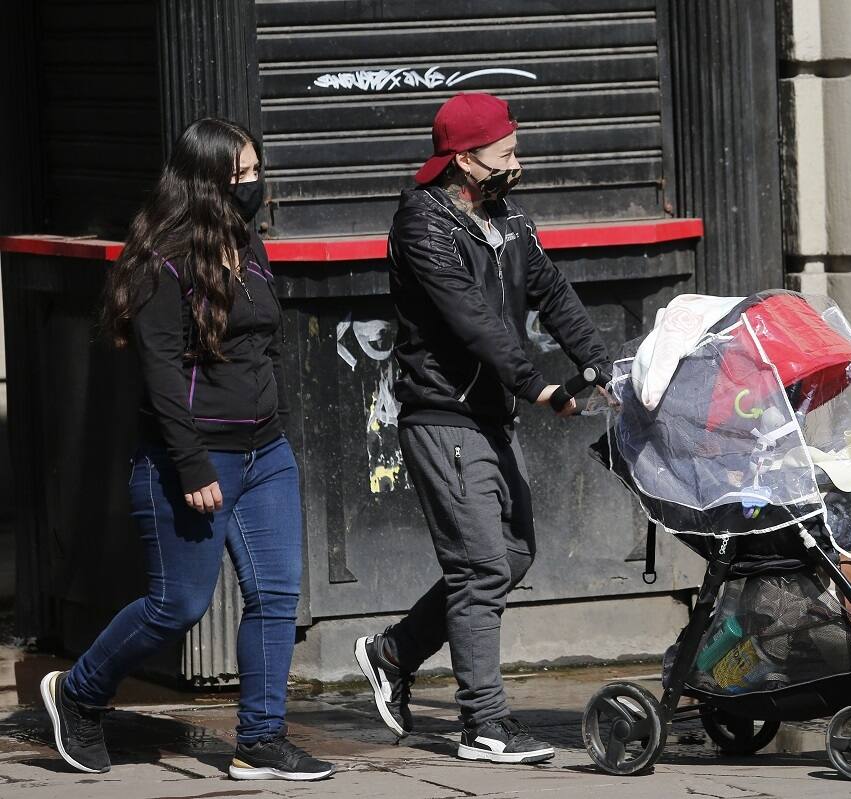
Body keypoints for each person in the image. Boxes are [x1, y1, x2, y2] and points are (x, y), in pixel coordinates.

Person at [39, 118, 334, 782]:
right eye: (241, 176)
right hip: (191, 459)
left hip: (265, 452)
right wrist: (193, 463)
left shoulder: (247, 245)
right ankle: (78, 693)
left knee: (275, 594)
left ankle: (260, 740)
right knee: (178, 605)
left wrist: (277, 423)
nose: (254, 186)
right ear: (203, 184)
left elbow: (266, 345)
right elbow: (164, 376)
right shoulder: (161, 262)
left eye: (256, 171)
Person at [354, 92, 609, 764]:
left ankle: (395, 652)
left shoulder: (507, 218)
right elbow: (472, 319)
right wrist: (538, 385)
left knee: (514, 554)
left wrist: (597, 362)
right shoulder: (424, 223)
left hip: (492, 414)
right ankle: (484, 724)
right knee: (480, 567)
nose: (516, 164)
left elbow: (551, 291)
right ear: (465, 160)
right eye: (506, 153)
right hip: (445, 414)